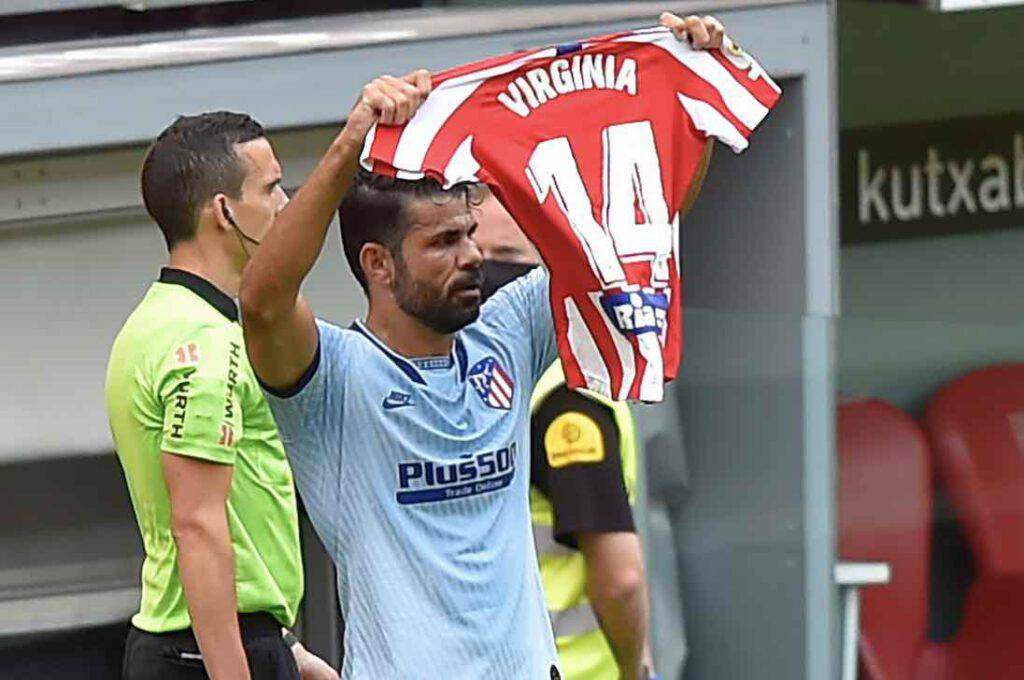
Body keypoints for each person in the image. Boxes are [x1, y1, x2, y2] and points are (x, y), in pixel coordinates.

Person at [239, 13, 723, 679]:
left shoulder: (508, 332)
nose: (472, 256)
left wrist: (687, 86)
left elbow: (647, 218)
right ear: (378, 265)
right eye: (443, 242)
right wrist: (353, 141)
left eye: (469, 233)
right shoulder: (332, 380)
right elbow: (262, 299)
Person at [106, 112, 336, 680]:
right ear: (223, 211)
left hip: (213, 641)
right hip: (205, 654)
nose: (285, 203)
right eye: (270, 187)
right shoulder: (203, 344)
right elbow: (198, 525)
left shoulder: (155, 322)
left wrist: (286, 650)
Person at [475, 192, 656, 680]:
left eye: (509, 259)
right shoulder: (560, 392)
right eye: (479, 257)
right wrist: (636, 669)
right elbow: (621, 579)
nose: (489, 276)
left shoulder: (551, 394)